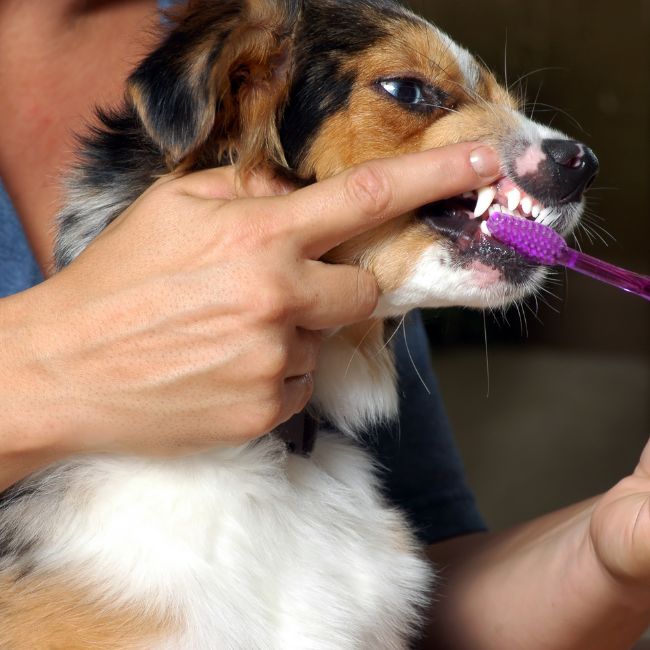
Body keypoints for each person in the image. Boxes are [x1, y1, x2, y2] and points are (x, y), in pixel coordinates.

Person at [0, 1, 648, 648]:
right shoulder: (255, 48)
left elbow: (441, 591)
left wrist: (616, 552)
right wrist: (46, 373)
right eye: (410, 91)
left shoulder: (350, 247)